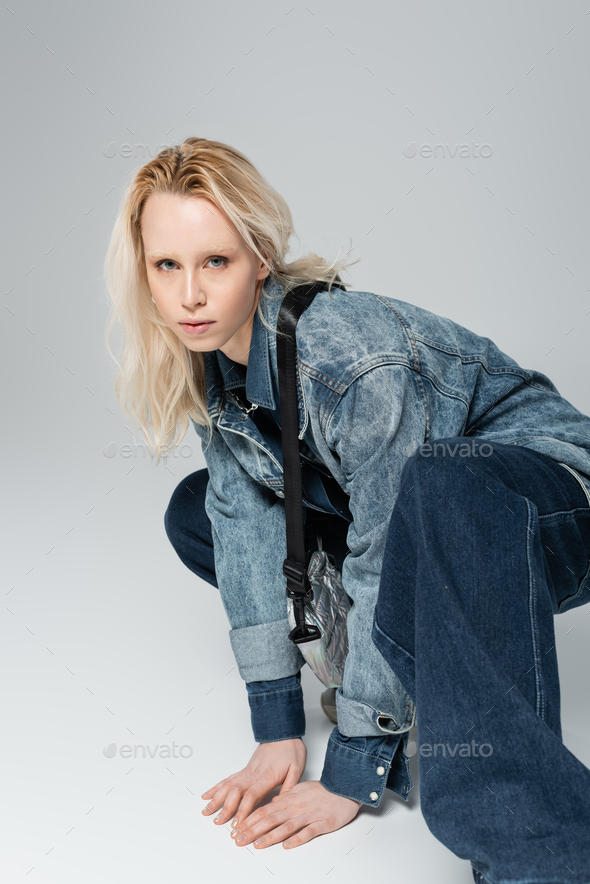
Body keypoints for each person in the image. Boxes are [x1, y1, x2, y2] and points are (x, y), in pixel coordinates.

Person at [104, 136, 590, 883]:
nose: (189, 296)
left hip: (548, 505)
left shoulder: (350, 357)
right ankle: (407, 666)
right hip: (434, 529)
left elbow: (385, 542)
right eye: (167, 265)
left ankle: (541, 858)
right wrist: (277, 726)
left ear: (261, 259)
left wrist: (355, 763)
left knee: (439, 482)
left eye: (216, 263)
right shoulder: (211, 362)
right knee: (200, 510)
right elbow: (244, 524)